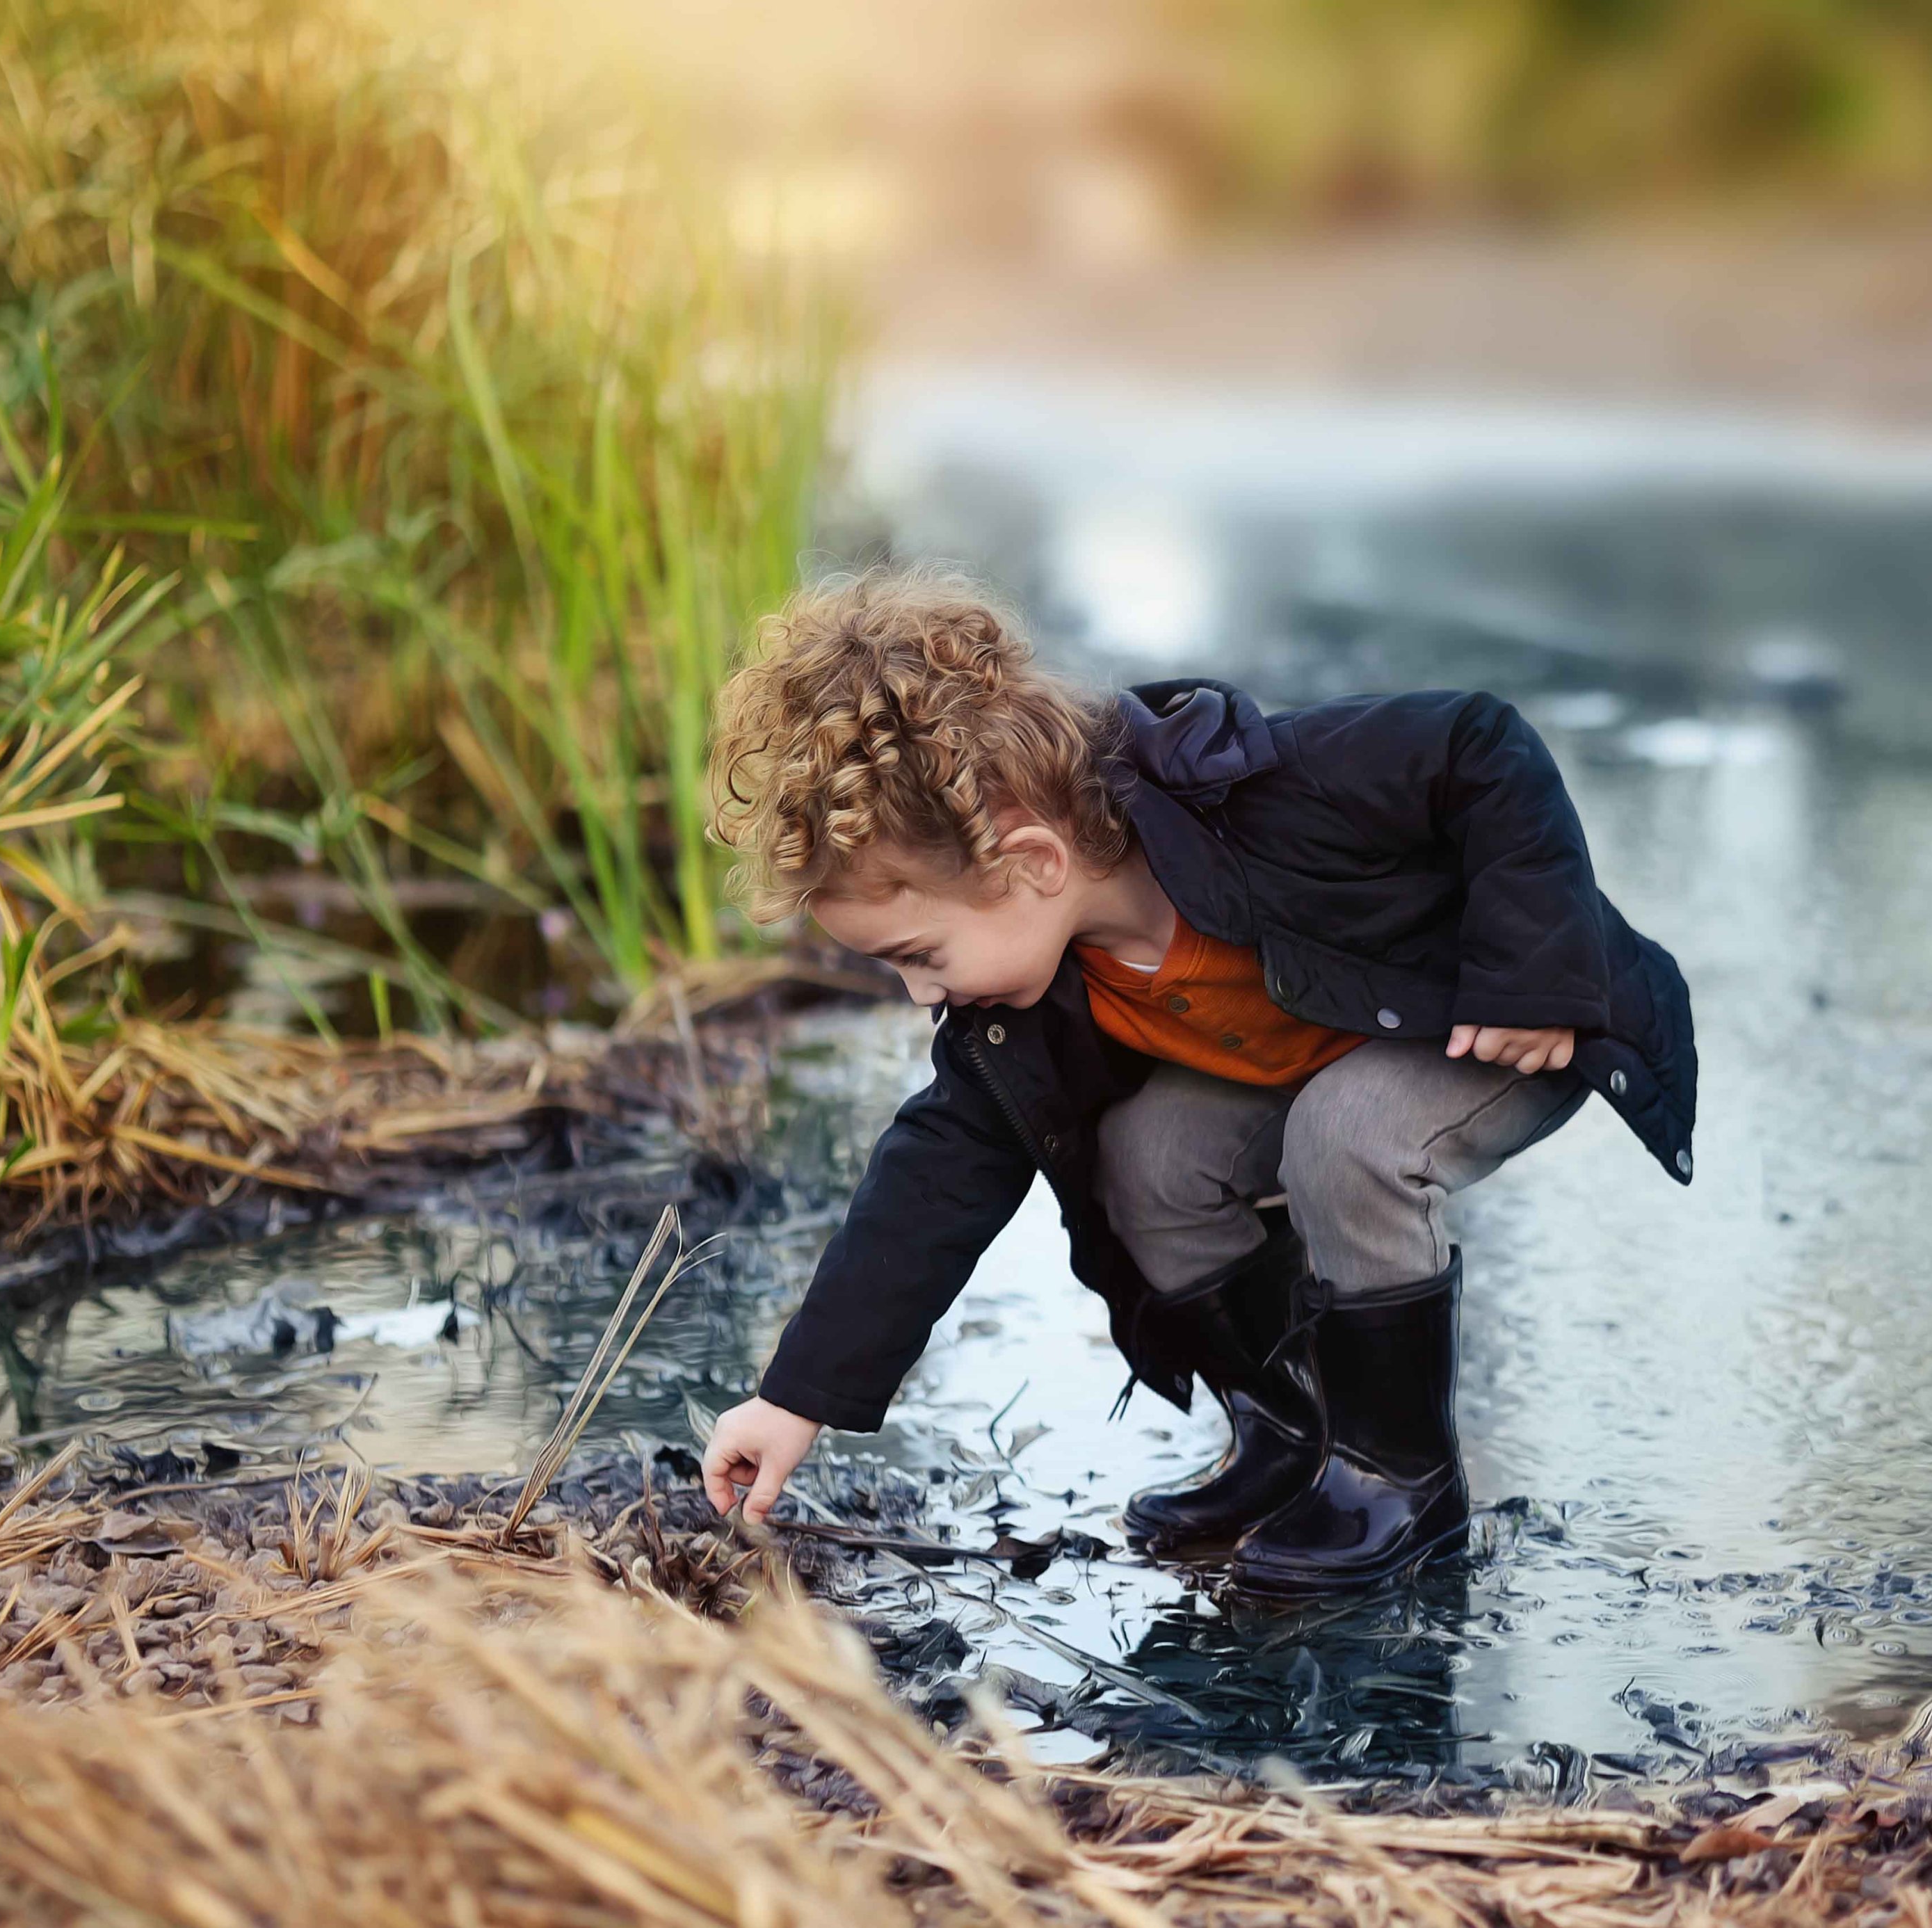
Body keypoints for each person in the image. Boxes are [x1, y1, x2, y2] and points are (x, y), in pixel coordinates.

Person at [696, 568, 1697, 1593]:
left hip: (1490, 1024)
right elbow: (931, 1180)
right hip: (1311, 1058)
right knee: (1148, 1158)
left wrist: (1533, 976)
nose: (920, 994)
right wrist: (795, 1398)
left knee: (1347, 1137)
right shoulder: (1022, 1005)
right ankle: (1296, 1437)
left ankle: (1401, 1477)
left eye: (923, 953)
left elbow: (1481, 746)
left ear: (1033, 862)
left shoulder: (1254, 789)